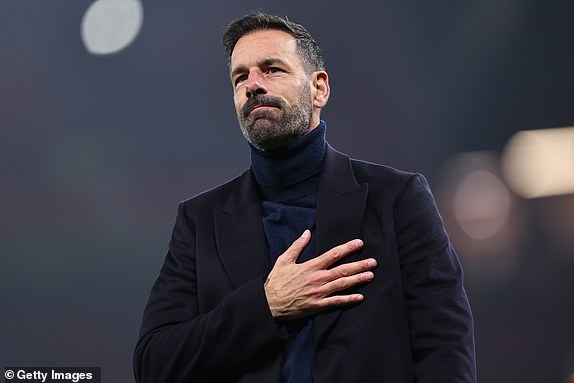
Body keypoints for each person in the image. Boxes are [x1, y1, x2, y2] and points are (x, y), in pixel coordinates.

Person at [133, 11, 476, 383]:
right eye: (240, 77)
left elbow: (445, 348)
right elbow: (154, 362)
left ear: (319, 88)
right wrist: (266, 306)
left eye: (272, 69)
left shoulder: (397, 198)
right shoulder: (199, 220)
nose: (252, 85)